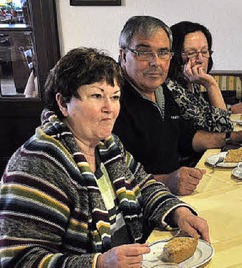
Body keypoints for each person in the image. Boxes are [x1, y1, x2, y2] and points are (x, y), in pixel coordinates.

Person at [0, 47, 209, 267]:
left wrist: (179, 212)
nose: (109, 108)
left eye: (115, 97)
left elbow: (144, 185)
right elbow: (18, 260)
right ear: (63, 103)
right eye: (97, 96)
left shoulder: (108, 146)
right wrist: (98, 263)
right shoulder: (38, 163)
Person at [113, 16, 242, 195]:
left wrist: (234, 137)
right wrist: (167, 181)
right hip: (144, 204)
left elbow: (187, 137)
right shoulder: (112, 100)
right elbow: (112, 176)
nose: (156, 62)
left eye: (163, 52)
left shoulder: (161, 90)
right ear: (123, 56)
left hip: (175, 193)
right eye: (144, 52)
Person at [167, 21, 242, 133]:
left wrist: (230, 110)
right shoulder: (172, 89)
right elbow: (224, 130)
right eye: (191, 53)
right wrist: (211, 85)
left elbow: (203, 113)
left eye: (205, 51)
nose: (200, 59)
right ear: (174, 55)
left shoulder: (190, 82)